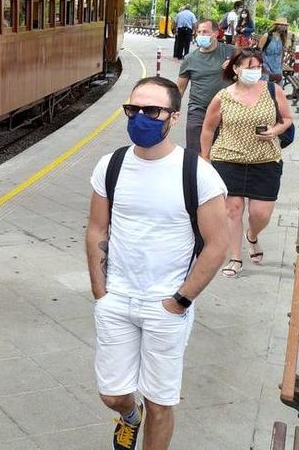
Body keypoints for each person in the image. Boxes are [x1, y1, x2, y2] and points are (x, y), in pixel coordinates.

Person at [86, 77, 228, 450]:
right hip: (117, 299)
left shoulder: (197, 173)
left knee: (160, 402)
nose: (140, 118)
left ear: (175, 117)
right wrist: (101, 292)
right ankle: (129, 417)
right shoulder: (111, 165)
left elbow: (218, 245)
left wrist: (179, 301)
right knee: (113, 395)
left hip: (166, 305)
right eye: (133, 110)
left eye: (152, 111)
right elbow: (97, 228)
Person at [200, 48, 293, 278]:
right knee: (232, 210)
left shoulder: (273, 90)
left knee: (260, 213)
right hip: (228, 159)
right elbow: (208, 128)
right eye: (250, 67)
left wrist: (275, 130)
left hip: (266, 160)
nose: (255, 72)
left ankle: (252, 235)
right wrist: (205, 157)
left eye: (258, 67)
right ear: (235, 68)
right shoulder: (222, 97)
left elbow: (288, 119)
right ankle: (235, 257)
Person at [176, 19, 235, 151]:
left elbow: (253, 69)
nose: (201, 35)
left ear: (216, 34)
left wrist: (234, 67)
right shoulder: (190, 59)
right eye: (199, 32)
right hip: (198, 110)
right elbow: (180, 88)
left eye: (205, 32)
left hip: (227, 110)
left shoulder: (231, 52)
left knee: (222, 154)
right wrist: (170, 110)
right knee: (195, 152)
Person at [259, 17, 296, 84]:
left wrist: (281, 68)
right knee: (266, 89)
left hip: (277, 68)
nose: (283, 27)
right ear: (276, 25)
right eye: (281, 25)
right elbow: (258, 52)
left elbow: (281, 54)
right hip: (266, 67)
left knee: (278, 90)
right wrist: (260, 66)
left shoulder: (283, 38)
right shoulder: (267, 36)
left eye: (285, 25)